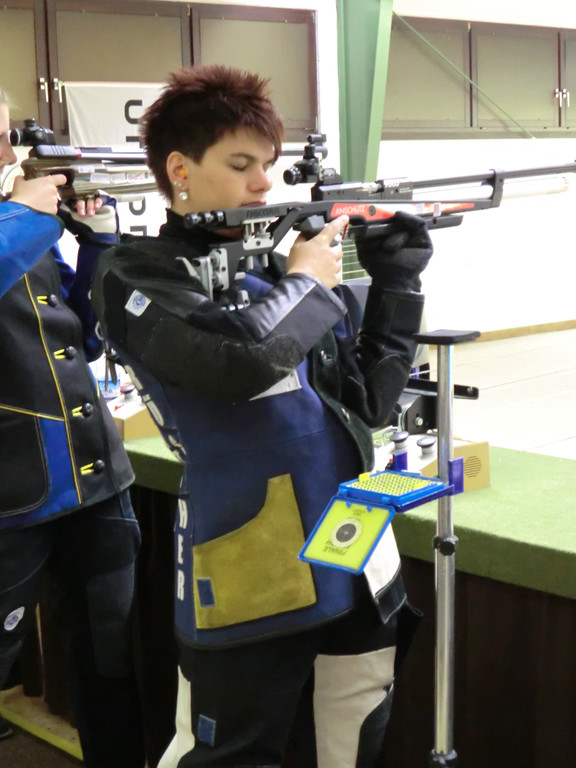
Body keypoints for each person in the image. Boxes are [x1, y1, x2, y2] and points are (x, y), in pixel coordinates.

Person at [91, 64, 432, 768]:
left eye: (268, 166)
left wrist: (397, 282)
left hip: (353, 544)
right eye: (241, 164)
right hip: (248, 560)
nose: (262, 185)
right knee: (227, 754)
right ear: (179, 170)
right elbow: (239, 362)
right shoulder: (135, 273)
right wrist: (308, 281)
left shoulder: (270, 275)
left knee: (355, 727)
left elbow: (368, 403)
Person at [0, 90, 146, 767]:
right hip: (11, 498)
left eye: (5, 135)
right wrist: (28, 217)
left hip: (92, 478)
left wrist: (98, 246)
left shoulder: (16, 220)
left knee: (110, 659)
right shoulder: (17, 222)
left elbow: (84, 337)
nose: (4, 152)